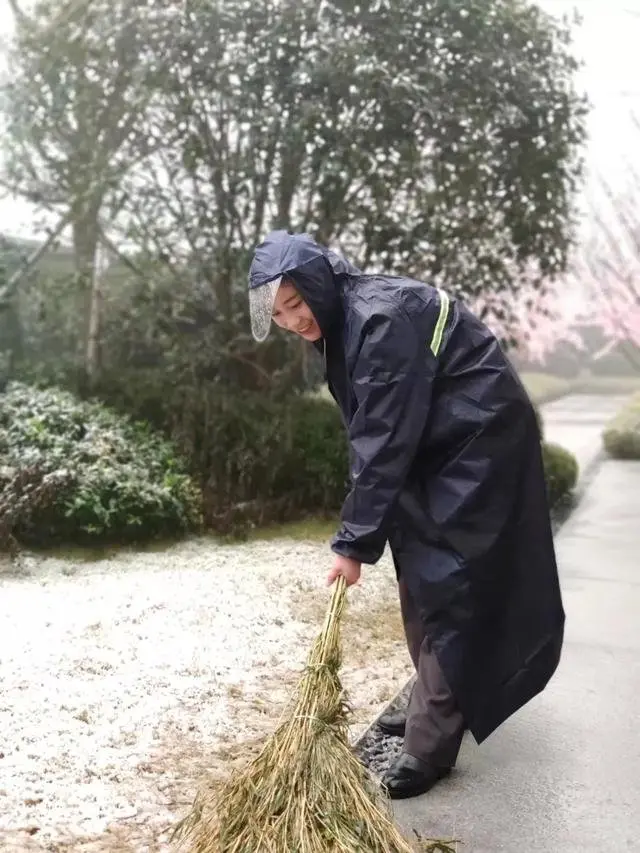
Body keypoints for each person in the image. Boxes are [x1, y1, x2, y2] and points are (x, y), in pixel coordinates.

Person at [248, 230, 565, 800]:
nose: (292, 321)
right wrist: (368, 524)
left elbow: (383, 439)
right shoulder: (347, 318)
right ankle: (434, 703)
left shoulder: (378, 321)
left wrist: (352, 542)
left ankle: (430, 745)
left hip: (477, 445)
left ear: (319, 286)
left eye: (296, 304)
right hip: (437, 442)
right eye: (279, 312)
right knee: (419, 568)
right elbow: (379, 429)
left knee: (450, 585)